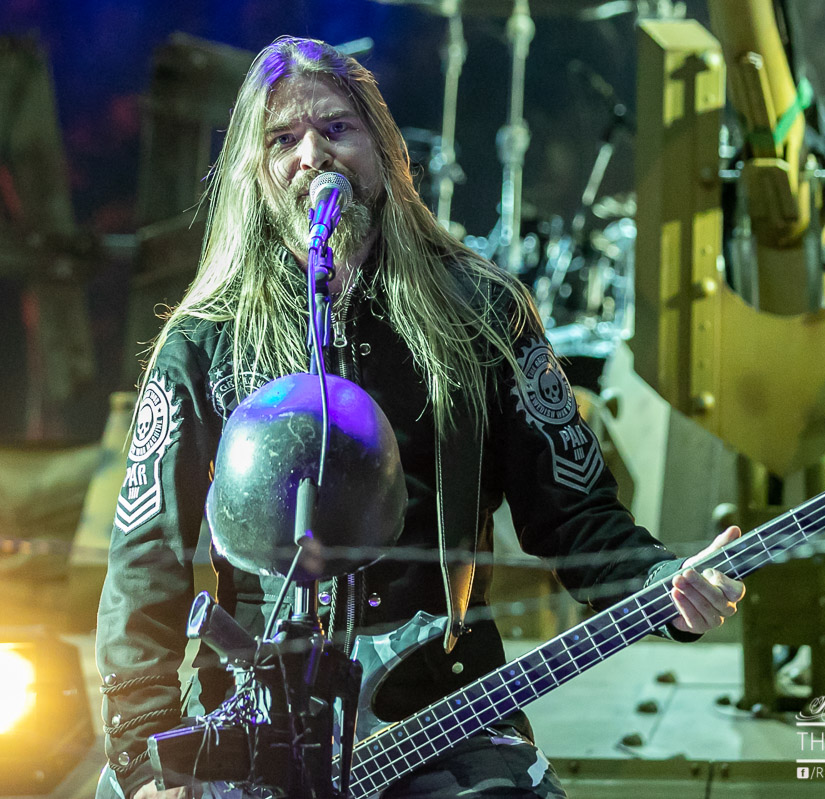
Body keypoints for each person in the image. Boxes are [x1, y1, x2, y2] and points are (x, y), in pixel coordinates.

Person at [95, 36, 745, 799]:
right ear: (255, 169)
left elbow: (575, 516)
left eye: (336, 128)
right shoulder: (206, 338)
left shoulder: (482, 312)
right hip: (252, 722)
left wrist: (664, 584)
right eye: (283, 139)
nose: (312, 155)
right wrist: (143, 758)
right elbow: (145, 562)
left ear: (382, 146)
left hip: (443, 710)